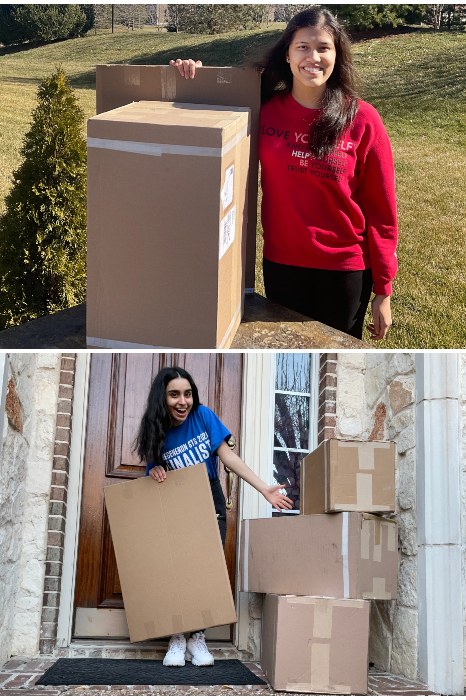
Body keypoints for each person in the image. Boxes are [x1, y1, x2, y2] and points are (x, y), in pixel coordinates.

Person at [170, 7, 397, 341]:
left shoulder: (362, 119)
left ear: (337, 56)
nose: (313, 57)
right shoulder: (263, 108)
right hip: (282, 263)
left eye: (323, 48)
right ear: (288, 54)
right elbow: (208, 110)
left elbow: (381, 210)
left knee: (333, 355)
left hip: (344, 268)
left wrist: (383, 290)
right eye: (303, 46)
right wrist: (194, 75)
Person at [133, 366, 293, 667]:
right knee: (177, 570)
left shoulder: (203, 416)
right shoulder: (155, 429)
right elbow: (152, 472)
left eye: (187, 394)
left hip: (210, 496)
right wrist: (154, 471)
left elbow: (228, 457)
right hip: (176, 502)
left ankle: (197, 638)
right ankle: (178, 637)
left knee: (206, 570)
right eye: (174, 395)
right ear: (162, 398)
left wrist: (263, 490)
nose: (183, 401)